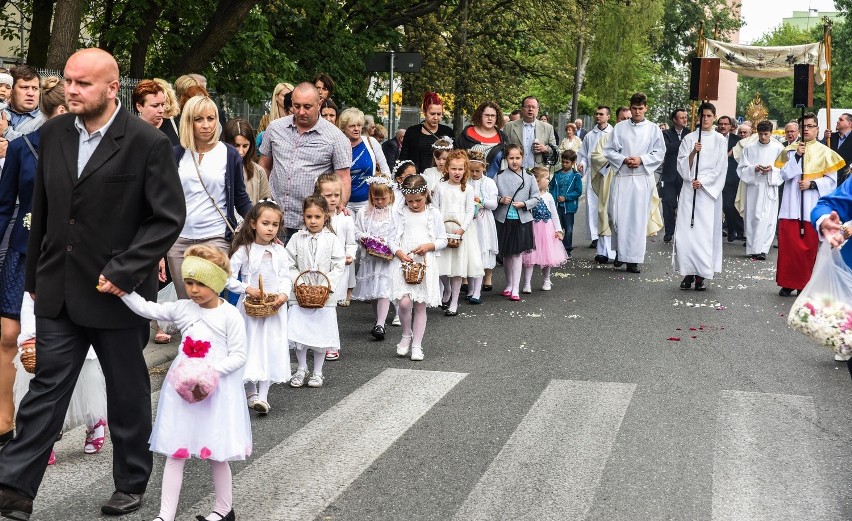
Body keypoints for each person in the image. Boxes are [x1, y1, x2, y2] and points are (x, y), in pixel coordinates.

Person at [0, 48, 185, 519]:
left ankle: (131, 480)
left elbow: (166, 219)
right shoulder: (55, 133)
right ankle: (15, 489)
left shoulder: (147, 142)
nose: (71, 90)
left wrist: (125, 271)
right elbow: (40, 207)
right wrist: (37, 276)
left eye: (83, 83)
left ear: (111, 86)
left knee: (125, 391)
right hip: (59, 290)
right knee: (46, 388)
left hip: (117, 294)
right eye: (68, 81)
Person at [121, 244, 250, 521]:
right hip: (181, 391)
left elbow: (239, 355)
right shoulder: (183, 308)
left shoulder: (230, 316)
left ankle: (224, 509)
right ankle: (165, 515)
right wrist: (123, 292)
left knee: (217, 453)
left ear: (216, 281)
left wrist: (210, 372)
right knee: (175, 450)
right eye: (189, 282)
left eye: (200, 283)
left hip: (215, 391)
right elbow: (148, 308)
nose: (193, 289)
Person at [0, 75, 68, 451]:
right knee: (9, 336)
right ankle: (4, 422)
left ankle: (51, 419)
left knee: (58, 341)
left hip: (66, 256)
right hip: (23, 253)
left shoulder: (86, 152)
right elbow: (4, 205)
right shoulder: (22, 147)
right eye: (64, 112)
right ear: (52, 112)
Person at [167, 95, 252, 300]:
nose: (206, 125)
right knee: (186, 303)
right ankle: (189, 334)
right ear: (188, 122)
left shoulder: (229, 154)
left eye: (211, 118)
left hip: (215, 238)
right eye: (199, 119)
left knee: (208, 302)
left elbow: (241, 198)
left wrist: (259, 221)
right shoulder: (175, 154)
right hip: (179, 240)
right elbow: (163, 198)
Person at [13, 293, 108, 465]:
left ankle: (95, 419)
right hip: (40, 284)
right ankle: (40, 437)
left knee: (86, 361)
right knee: (35, 359)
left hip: (79, 285)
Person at [258, 83, 351, 240]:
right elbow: (264, 167)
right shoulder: (275, 128)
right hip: (274, 221)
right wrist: (260, 201)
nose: (301, 112)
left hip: (312, 224)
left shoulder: (336, 137)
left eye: (307, 106)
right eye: (296, 106)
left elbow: (343, 177)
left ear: (320, 104)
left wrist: (340, 204)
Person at [226, 201, 290, 415]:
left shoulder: (280, 252)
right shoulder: (244, 251)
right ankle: (251, 392)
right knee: (251, 347)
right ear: (253, 224)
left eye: (275, 224)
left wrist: (283, 295)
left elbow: (285, 277)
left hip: (274, 309)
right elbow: (227, 277)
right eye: (265, 223)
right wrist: (247, 288)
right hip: (250, 310)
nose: (270, 228)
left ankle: (263, 396)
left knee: (270, 347)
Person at [775, 112, 843, 297]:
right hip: (791, 206)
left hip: (812, 206)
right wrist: (797, 156)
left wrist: (812, 184)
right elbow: (784, 175)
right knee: (790, 247)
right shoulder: (789, 150)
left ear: (817, 129)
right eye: (803, 126)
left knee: (809, 247)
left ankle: (804, 283)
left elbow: (831, 182)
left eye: (810, 126)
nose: (807, 129)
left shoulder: (826, 152)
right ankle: (788, 283)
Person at [286, 195, 345, 388]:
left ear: (325, 217)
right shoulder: (296, 238)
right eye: (309, 216)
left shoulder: (332, 240)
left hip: (323, 297)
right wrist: (299, 282)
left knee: (321, 334)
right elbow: (288, 263)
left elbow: (338, 264)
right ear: (303, 216)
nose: (313, 221)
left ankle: (318, 371)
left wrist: (327, 285)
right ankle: (302, 368)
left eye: (317, 217)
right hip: (300, 295)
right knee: (299, 334)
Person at [603, 92, 665, 273]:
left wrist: (641, 160)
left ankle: (633, 260)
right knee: (616, 216)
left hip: (640, 178)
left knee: (636, 220)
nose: (637, 111)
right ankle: (621, 254)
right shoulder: (620, 127)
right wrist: (623, 159)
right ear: (630, 108)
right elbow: (609, 150)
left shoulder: (653, 129)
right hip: (622, 177)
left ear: (646, 108)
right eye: (634, 108)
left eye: (640, 108)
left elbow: (659, 153)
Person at [389, 175, 448, 361]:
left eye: (418, 201)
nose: (414, 205)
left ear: (426, 195)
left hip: (424, 263)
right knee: (404, 302)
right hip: (403, 262)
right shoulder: (399, 212)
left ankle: (417, 345)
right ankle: (406, 334)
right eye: (410, 201)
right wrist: (399, 253)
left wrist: (429, 246)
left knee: (420, 305)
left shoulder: (433, 213)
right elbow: (391, 239)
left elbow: (443, 239)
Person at [673, 102, 728, 291]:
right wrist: (693, 153)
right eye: (702, 116)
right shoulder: (689, 138)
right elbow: (680, 165)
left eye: (709, 116)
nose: (705, 119)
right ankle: (687, 272)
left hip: (707, 193)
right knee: (687, 233)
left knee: (704, 235)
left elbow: (720, 167)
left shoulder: (720, 139)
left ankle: (701, 275)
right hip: (689, 190)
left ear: (714, 117)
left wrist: (703, 181)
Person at [434, 149, 483, 316]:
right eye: (454, 169)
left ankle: (454, 301)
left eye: (460, 169)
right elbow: (434, 208)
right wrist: (439, 227)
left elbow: (470, 211)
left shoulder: (468, 189)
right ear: (447, 168)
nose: (457, 172)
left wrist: (462, 228)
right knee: (442, 267)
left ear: (465, 170)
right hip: (443, 230)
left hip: (461, 231)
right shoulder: (440, 187)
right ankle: (446, 289)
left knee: (457, 267)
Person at [314, 173, 355, 361]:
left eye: (336, 195)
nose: (332, 199)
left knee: (330, 308)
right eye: (328, 195)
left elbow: (351, 243)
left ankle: (331, 344)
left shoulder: (345, 218)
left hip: (338, 270)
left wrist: (350, 256)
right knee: (317, 306)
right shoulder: (315, 217)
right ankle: (315, 340)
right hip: (318, 268)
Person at [352, 175, 396, 339]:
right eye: (375, 198)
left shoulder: (394, 213)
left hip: (386, 258)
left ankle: (380, 324)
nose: (379, 202)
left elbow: (397, 232)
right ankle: (379, 319)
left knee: (383, 288)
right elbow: (356, 231)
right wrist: (364, 238)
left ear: (390, 195)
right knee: (373, 290)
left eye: (382, 198)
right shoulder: (364, 212)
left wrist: (386, 242)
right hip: (371, 257)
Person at [494, 144, 540, 300]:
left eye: (517, 158)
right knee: (506, 255)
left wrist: (525, 204)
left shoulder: (529, 177)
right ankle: (508, 284)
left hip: (522, 220)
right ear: (506, 158)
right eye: (511, 158)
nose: (514, 161)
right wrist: (500, 199)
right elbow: (491, 195)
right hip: (503, 219)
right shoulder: (499, 176)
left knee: (517, 254)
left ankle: (515, 288)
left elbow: (536, 197)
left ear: (523, 157)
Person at [738, 120, 785, 260]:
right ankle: (753, 248)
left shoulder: (778, 148)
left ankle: (763, 249)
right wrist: (753, 168)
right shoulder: (749, 148)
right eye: (761, 134)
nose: (763, 137)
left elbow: (784, 169)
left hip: (769, 186)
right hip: (754, 186)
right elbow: (741, 168)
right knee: (753, 217)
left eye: (766, 134)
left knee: (768, 218)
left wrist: (772, 170)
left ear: (771, 133)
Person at [522, 167, 567, 292]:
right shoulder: (530, 196)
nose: (548, 181)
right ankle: (527, 284)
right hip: (533, 229)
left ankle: (547, 280)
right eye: (546, 178)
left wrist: (558, 230)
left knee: (547, 257)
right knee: (530, 257)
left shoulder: (549, 196)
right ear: (537, 181)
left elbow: (554, 214)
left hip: (547, 229)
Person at [338, 107, 390, 214]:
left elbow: (385, 170)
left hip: (370, 202)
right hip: (345, 204)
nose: (356, 129)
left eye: (359, 125)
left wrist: (384, 194)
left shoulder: (371, 142)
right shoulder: (338, 145)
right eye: (352, 126)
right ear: (343, 128)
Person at [578, 105, 614, 255]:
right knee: (593, 206)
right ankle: (595, 236)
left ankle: (609, 237)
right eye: (596, 114)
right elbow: (584, 155)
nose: (598, 116)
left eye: (601, 114)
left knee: (607, 207)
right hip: (594, 174)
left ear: (608, 117)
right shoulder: (589, 135)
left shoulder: (614, 133)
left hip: (609, 175)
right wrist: (582, 164)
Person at [466, 150, 498, 302]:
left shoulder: (489, 183)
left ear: (484, 168)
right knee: (471, 254)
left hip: (484, 222)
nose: (474, 174)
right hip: (470, 221)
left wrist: (481, 201)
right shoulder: (465, 183)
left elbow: (494, 204)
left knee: (482, 251)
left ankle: (477, 289)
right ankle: (471, 288)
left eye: (477, 171)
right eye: (471, 171)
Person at [398, 92, 454, 173]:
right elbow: (403, 159)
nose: (436, 117)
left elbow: (454, 157)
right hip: (417, 179)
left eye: (439, 114)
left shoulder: (447, 131)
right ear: (424, 112)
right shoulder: (412, 132)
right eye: (432, 114)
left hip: (442, 177)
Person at [221, 118, 271, 205]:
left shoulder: (258, 172)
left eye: (245, 146)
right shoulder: (216, 167)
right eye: (236, 145)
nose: (240, 151)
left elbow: (265, 205)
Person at [456, 101, 509, 178]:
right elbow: (457, 158)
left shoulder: (502, 137)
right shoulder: (466, 134)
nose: (490, 118)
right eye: (487, 115)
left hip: (494, 184)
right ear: (480, 116)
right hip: (467, 181)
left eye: (493, 116)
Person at [504, 96, 557, 169]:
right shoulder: (509, 126)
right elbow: (504, 149)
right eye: (528, 106)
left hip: (538, 172)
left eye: (533, 107)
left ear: (537, 110)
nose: (530, 109)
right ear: (522, 109)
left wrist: (545, 148)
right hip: (514, 171)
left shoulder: (548, 128)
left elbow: (554, 148)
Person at [660, 108, 689, 243]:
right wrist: (683, 142)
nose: (685, 120)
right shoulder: (666, 134)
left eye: (686, 117)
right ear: (675, 120)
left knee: (684, 204)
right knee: (668, 203)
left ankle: (683, 231)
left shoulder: (691, 134)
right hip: (670, 175)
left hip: (685, 175)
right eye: (682, 117)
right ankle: (669, 231)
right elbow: (666, 148)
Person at [549, 149, 583, 257]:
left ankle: (567, 249)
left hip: (568, 207)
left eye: (567, 162)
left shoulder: (576, 176)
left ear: (573, 163)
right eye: (563, 161)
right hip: (557, 207)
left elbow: (578, 191)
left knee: (568, 229)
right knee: (557, 228)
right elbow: (552, 188)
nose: (564, 164)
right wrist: (552, 202)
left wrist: (566, 197)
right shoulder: (557, 174)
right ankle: (557, 249)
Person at [716, 115, 744, 242]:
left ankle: (731, 229)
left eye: (725, 124)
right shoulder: (712, 137)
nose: (723, 126)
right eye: (720, 124)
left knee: (729, 206)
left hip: (730, 178)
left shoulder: (737, 140)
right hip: (713, 177)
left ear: (730, 126)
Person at [1, 65, 44, 142]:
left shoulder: (45, 120)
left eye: (35, 88)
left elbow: (37, 147)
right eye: (24, 87)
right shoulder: (2, 111)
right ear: (11, 90)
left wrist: (6, 132)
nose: (31, 93)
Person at [132, 79, 179, 146]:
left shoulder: (177, 126)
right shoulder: (129, 132)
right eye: (155, 106)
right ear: (139, 106)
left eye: (162, 104)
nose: (161, 110)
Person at [828, 112, 852, 185]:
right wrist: (825, 139)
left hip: (847, 180)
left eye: (841, 120)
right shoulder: (830, 137)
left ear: (849, 123)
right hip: (831, 178)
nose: (838, 121)